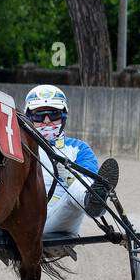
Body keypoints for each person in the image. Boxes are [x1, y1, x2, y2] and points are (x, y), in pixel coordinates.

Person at [25, 84, 119, 237]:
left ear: (63, 117)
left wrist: (68, 176)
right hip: (22, 219)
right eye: (39, 115)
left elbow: (88, 180)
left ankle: (92, 200)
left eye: (53, 115)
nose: (47, 121)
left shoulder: (79, 149)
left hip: (59, 218)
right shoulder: (19, 147)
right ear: (29, 117)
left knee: (75, 194)